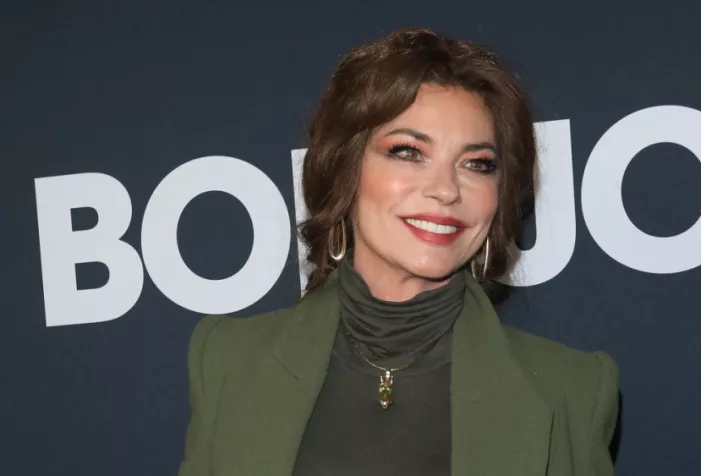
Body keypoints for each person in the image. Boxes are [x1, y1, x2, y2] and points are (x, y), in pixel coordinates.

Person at [178, 27, 619, 476]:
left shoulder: (573, 392)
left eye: (477, 164)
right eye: (408, 152)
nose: (447, 190)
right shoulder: (228, 363)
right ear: (345, 168)